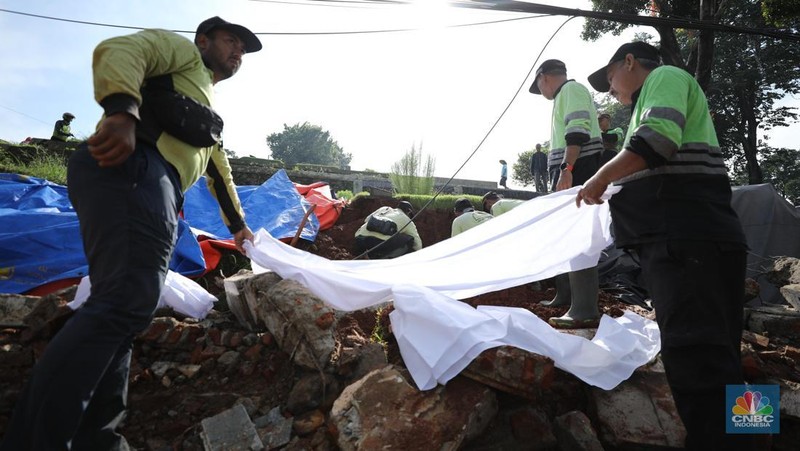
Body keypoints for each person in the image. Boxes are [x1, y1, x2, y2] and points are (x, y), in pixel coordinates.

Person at [0, 17, 261, 450]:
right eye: (231, 40)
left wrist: (239, 229)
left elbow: (220, 173)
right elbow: (119, 50)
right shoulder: (180, 54)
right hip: (134, 168)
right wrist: (122, 113)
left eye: (243, 49)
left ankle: (97, 439)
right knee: (125, 302)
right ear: (204, 41)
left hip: (153, 184)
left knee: (124, 308)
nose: (237, 51)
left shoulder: (205, 106)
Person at [580, 41, 753, 450]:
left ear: (629, 62)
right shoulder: (648, 103)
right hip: (699, 236)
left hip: (684, 237)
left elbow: (656, 142)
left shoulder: (665, 77)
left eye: (610, 79)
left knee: (696, 356)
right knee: (723, 354)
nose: (611, 91)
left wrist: (599, 178)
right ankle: (753, 438)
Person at [529, 59, 604, 328]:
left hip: (578, 168)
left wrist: (567, 168)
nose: (542, 93)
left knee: (577, 236)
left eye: (540, 86)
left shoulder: (571, 91)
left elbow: (577, 131)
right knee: (563, 235)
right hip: (570, 168)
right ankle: (566, 295)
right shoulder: (563, 96)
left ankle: (583, 307)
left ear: (544, 78)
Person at [354, 201, 422, 259]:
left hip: (359, 238)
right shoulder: (407, 220)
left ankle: (367, 255)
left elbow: (367, 220)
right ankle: (386, 259)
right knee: (409, 240)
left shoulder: (384, 208)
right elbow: (418, 245)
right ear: (409, 212)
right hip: (377, 244)